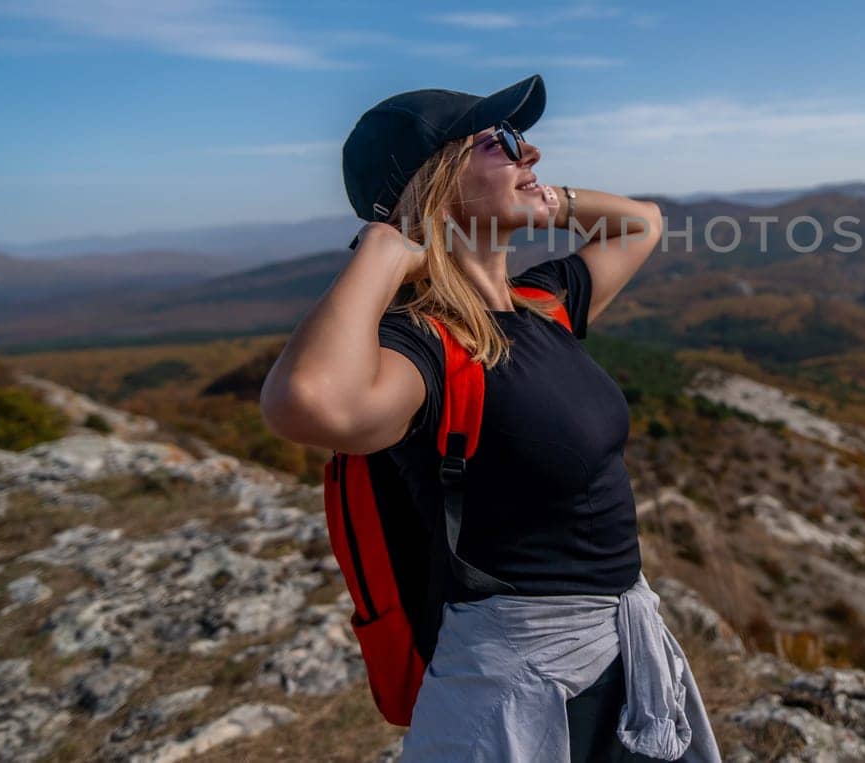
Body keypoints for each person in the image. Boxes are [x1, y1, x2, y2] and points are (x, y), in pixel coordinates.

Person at [260, 74, 722, 762]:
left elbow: (642, 222)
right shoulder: (428, 349)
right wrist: (387, 250)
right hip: (521, 689)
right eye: (500, 141)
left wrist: (546, 199)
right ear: (437, 181)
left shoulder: (541, 305)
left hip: (620, 654)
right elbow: (308, 400)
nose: (530, 150)